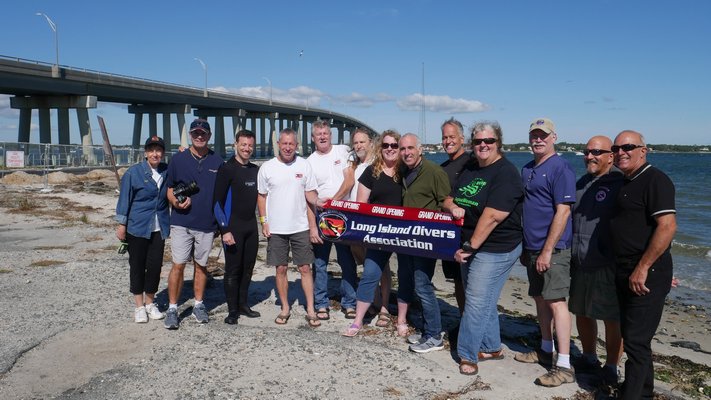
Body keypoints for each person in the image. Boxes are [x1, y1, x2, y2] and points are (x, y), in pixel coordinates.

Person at [442, 121, 523, 376]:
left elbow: (492, 217)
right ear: (472, 144)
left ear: (498, 143)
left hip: (496, 247)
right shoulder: (471, 168)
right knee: (482, 298)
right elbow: (449, 197)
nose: (483, 145)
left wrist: (469, 247)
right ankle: (491, 347)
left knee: (476, 300)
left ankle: (467, 353)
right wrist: (451, 207)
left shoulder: (506, 173)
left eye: (488, 141)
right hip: (473, 244)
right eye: (478, 142)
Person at [609, 130, 676, 400]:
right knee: (635, 338)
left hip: (645, 271)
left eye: (628, 147)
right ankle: (642, 392)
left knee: (635, 342)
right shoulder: (625, 181)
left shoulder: (655, 180)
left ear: (643, 150)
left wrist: (643, 267)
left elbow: (668, 226)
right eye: (616, 148)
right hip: (625, 268)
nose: (621, 152)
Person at [514, 117, 577, 387]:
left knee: (556, 302)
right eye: (534, 135)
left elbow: (563, 211)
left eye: (543, 135)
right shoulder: (527, 168)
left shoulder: (560, 168)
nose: (538, 139)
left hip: (554, 249)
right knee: (540, 299)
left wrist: (547, 251)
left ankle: (564, 365)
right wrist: (526, 248)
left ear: (554, 137)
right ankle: (544, 348)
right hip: (532, 247)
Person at [569, 135, 624, 385]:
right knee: (581, 311)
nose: (590, 156)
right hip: (580, 260)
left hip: (607, 264)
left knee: (611, 317)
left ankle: (612, 366)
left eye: (597, 152)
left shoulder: (621, 183)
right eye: (587, 152)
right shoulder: (581, 183)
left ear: (611, 156)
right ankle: (589, 357)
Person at [342, 130, 406, 336]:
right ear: (380, 148)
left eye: (394, 146)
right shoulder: (371, 171)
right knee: (371, 272)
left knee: (405, 275)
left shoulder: (407, 171)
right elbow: (361, 204)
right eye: (386, 145)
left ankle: (392, 312)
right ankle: (358, 321)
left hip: (405, 232)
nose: (390, 149)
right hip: (378, 232)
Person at [257, 128, 322, 328]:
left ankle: (310, 309)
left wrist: (314, 225)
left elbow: (310, 197)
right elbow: (262, 197)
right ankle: (285, 308)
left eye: (291, 144)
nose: (287, 147)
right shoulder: (267, 168)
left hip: (300, 226)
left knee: (305, 268)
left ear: (297, 145)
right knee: (281, 268)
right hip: (276, 228)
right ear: (279, 144)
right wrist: (264, 222)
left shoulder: (304, 165)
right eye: (284, 143)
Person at [163, 119, 224, 329]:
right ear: (190, 135)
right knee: (178, 265)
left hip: (207, 224)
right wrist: (175, 202)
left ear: (209, 135)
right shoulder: (178, 159)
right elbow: (169, 189)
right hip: (181, 222)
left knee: (201, 266)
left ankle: (198, 304)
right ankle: (172, 308)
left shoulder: (218, 161)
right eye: (196, 133)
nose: (200, 136)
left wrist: (221, 224)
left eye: (203, 133)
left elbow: (223, 194)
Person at [399, 133, 451, 353]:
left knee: (423, 286)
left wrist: (454, 209)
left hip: (426, 239)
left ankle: (434, 336)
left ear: (420, 150)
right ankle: (428, 330)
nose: (407, 152)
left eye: (411, 148)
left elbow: (445, 200)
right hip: (408, 238)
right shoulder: (404, 171)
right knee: (415, 284)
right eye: (403, 149)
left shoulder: (434, 172)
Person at [307, 120, 358, 321]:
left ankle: (350, 302)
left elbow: (349, 180)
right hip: (321, 216)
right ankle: (321, 303)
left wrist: (333, 202)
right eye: (318, 134)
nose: (322, 137)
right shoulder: (309, 161)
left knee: (347, 260)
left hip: (343, 213)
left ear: (331, 135)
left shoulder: (343, 151)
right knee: (320, 263)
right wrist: (312, 226)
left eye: (325, 133)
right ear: (313, 138)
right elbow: (309, 196)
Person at [115, 135, 170, 323]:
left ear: (162, 153)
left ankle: (150, 303)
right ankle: (139, 306)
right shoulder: (133, 173)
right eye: (151, 150)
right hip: (137, 227)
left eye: (159, 150)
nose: (155, 153)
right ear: (146, 153)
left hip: (158, 228)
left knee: (155, 267)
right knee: (137, 266)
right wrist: (121, 224)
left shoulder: (167, 171)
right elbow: (124, 200)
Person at [213, 130, 262, 325]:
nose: (247, 149)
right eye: (243, 145)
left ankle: (243, 304)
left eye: (250, 145)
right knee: (233, 269)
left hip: (251, 227)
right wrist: (224, 230)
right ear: (235, 144)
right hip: (232, 228)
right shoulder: (227, 169)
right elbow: (216, 202)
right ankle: (232, 310)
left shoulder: (255, 170)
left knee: (248, 268)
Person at [439, 118, 471, 337]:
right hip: (449, 234)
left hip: (470, 233)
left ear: (462, 139)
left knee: (471, 283)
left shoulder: (472, 163)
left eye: (452, 137)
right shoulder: (442, 168)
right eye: (444, 137)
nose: (448, 141)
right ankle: (463, 320)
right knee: (458, 282)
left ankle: (472, 325)